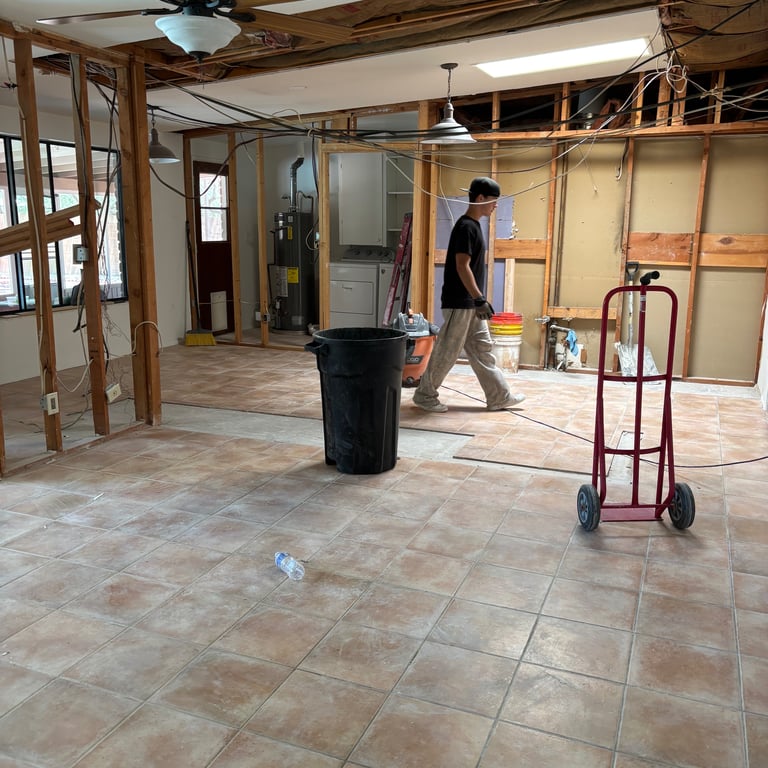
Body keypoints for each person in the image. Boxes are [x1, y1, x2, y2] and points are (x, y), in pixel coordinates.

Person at [412, 176, 526, 413]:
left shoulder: (473, 226)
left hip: (471, 304)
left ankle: (499, 397)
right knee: (447, 351)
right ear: (480, 198)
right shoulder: (466, 227)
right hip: (460, 302)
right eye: (493, 200)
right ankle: (425, 395)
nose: (495, 205)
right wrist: (479, 298)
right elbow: (462, 265)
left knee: (482, 349)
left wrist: (477, 300)